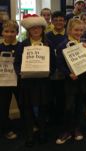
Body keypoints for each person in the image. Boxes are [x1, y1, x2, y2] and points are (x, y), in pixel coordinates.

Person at [14, 14, 54, 147]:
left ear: (42, 29)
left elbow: (53, 64)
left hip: (43, 82)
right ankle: (29, 136)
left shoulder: (48, 44)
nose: (36, 30)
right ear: (29, 30)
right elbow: (17, 62)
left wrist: (48, 72)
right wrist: (20, 71)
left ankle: (42, 133)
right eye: (33, 28)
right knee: (28, 110)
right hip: (28, 83)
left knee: (43, 109)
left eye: (38, 28)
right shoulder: (23, 45)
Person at [55, 18, 86, 144]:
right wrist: (68, 74)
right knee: (69, 107)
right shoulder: (62, 45)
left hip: (83, 80)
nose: (79, 32)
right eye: (76, 30)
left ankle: (77, 129)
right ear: (69, 30)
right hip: (70, 81)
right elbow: (59, 64)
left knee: (80, 106)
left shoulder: (84, 44)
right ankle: (66, 131)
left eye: (81, 30)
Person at [0, 20, 21, 140]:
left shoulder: (21, 46)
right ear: (2, 32)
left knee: (23, 104)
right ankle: (7, 129)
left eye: (12, 31)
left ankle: (27, 126)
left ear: (17, 33)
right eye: (6, 31)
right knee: (3, 107)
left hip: (19, 81)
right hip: (3, 83)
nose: (9, 34)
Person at [45, 11, 67, 124]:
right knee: (50, 94)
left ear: (65, 22)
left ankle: (60, 117)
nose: (59, 22)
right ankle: (51, 116)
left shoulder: (69, 35)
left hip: (64, 71)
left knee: (62, 95)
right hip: (51, 70)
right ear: (52, 21)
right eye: (56, 20)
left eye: (61, 20)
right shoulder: (46, 36)